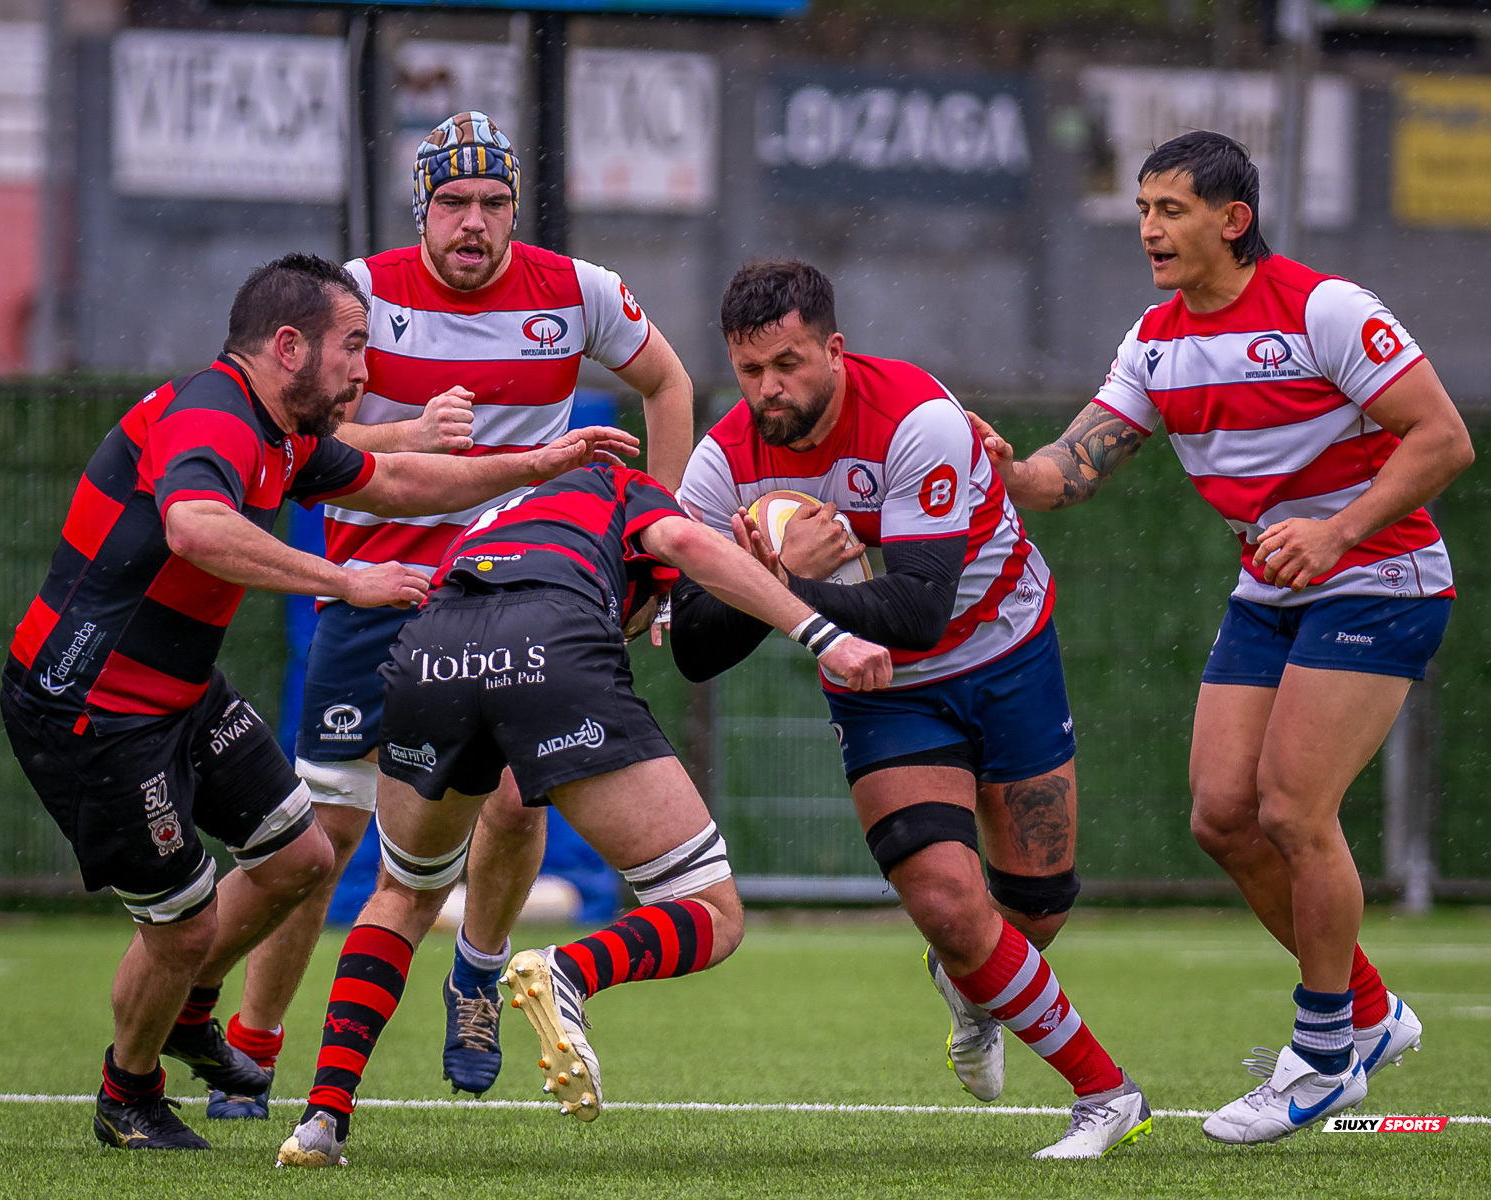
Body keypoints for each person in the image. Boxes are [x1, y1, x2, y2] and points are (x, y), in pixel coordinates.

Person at [0, 252, 638, 1151]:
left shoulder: (278, 430)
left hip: (176, 693)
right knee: (179, 934)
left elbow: (401, 483)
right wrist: (346, 579)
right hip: (92, 710)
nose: (364, 372)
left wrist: (544, 462)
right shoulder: (214, 419)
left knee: (302, 856)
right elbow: (193, 526)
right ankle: (127, 1094)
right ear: (289, 346)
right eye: (351, 349)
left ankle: (189, 1018)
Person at [969, 131, 1472, 1144]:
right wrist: (1010, 469)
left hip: (1381, 577)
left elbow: (1444, 438)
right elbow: (1074, 468)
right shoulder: (1155, 341)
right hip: (1272, 590)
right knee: (1223, 817)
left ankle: (1325, 1057)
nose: (1149, 229)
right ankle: (1370, 1014)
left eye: (1171, 209)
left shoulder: (1324, 309)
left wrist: (1336, 532)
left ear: (1231, 220)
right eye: (1144, 210)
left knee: (1293, 809)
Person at [218, 110, 695, 1116]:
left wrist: (658, 540)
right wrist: (405, 431)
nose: (473, 223)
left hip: (519, 601)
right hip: (376, 595)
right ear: (421, 208)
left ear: (516, 209)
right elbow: (305, 428)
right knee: (323, 843)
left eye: (493, 204)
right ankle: (255, 1049)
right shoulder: (360, 293)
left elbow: (668, 383)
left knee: (521, 803)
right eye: (453, 203)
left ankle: (476, 972)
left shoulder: (577, 293)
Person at [274, 461, 894, 1169]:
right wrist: (824, 633)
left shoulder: (503, 523)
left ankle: (323, 1117)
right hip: (551, 646)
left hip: (430, 649)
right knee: (712, 910)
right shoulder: (625, 486)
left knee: (404, 890)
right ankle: (569, 971)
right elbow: (687, 550)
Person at [670, 259, 1151, 1160]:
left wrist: (783, 584)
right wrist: (770, 585)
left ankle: (970, 983)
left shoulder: (918, 421)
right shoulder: (721, 463)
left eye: (789, 364)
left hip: (1004, 652)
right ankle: (1106, 1093)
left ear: (835, 349)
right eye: (749, 370)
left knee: (1034, 910)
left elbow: (922, 606)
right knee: (944, 896)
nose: (769, 390)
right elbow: (694, 648)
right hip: (885, 689)